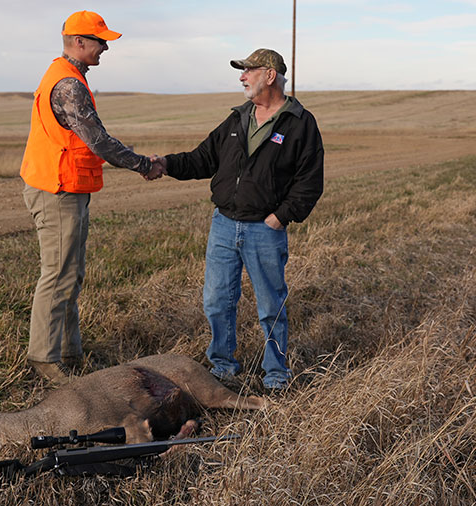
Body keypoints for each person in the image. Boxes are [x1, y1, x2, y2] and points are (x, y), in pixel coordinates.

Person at [147, 49, 323, 391]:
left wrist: (281, 216)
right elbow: (202, 158)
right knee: (216, 300)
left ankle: (276, 374)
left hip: (264, 229)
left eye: (248, 71)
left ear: (269, 75)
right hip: (224, 225)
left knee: (270, 305)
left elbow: (310, 180)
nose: (242, 77)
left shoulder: (300, 123)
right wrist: (165, 164)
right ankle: (223, 367)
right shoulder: (237, 118)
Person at [20, 10, 155, 384]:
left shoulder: (66, 76)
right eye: (100, 41)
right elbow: (97, 140)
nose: (105, 48)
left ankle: (70, 353)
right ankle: (45, 361)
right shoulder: (68, 85)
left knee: (71, 274)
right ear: (79, 41)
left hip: (64, 188)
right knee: (59, 275)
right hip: (57, 191)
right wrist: (143, 163)